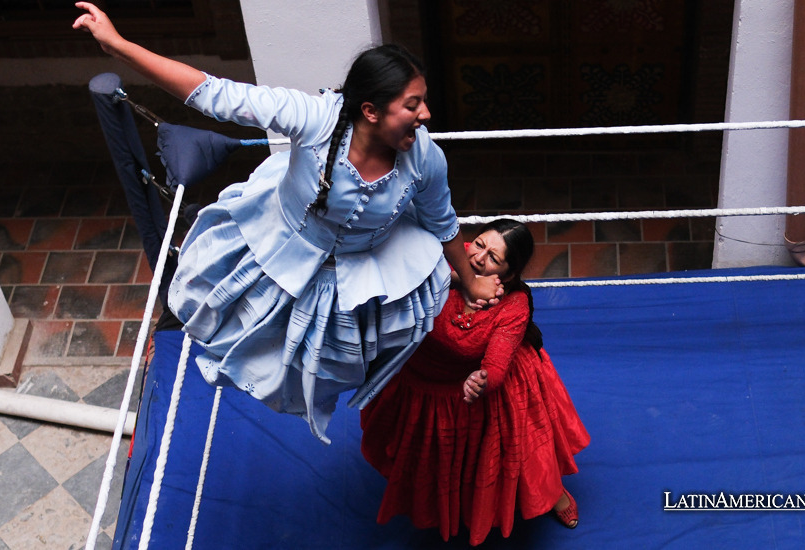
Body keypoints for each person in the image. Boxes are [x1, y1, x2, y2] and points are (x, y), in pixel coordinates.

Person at [72, 3, 501, 444]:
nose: (427, 113)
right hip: (282, 243)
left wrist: (469, 282)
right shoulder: (313, 119)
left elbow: (442, 221)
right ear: (371, 111)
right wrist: (118, 46)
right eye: (413, 104)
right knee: (243, 332)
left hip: (359, 269)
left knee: (330, 363)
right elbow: (214, 94)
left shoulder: (425, 158)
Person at [360, 219, 590, 546]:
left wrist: (482, 380)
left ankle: (552, 492)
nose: (479, 257)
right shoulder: (452, 258)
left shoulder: (513, 304)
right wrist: (461, 280)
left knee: (525, 458)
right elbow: (398, 273)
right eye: (479, 244)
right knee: (428, 465)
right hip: (420, 386)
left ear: (508, 275)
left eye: (493, 258)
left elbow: (496, 364)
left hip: (482, 395)